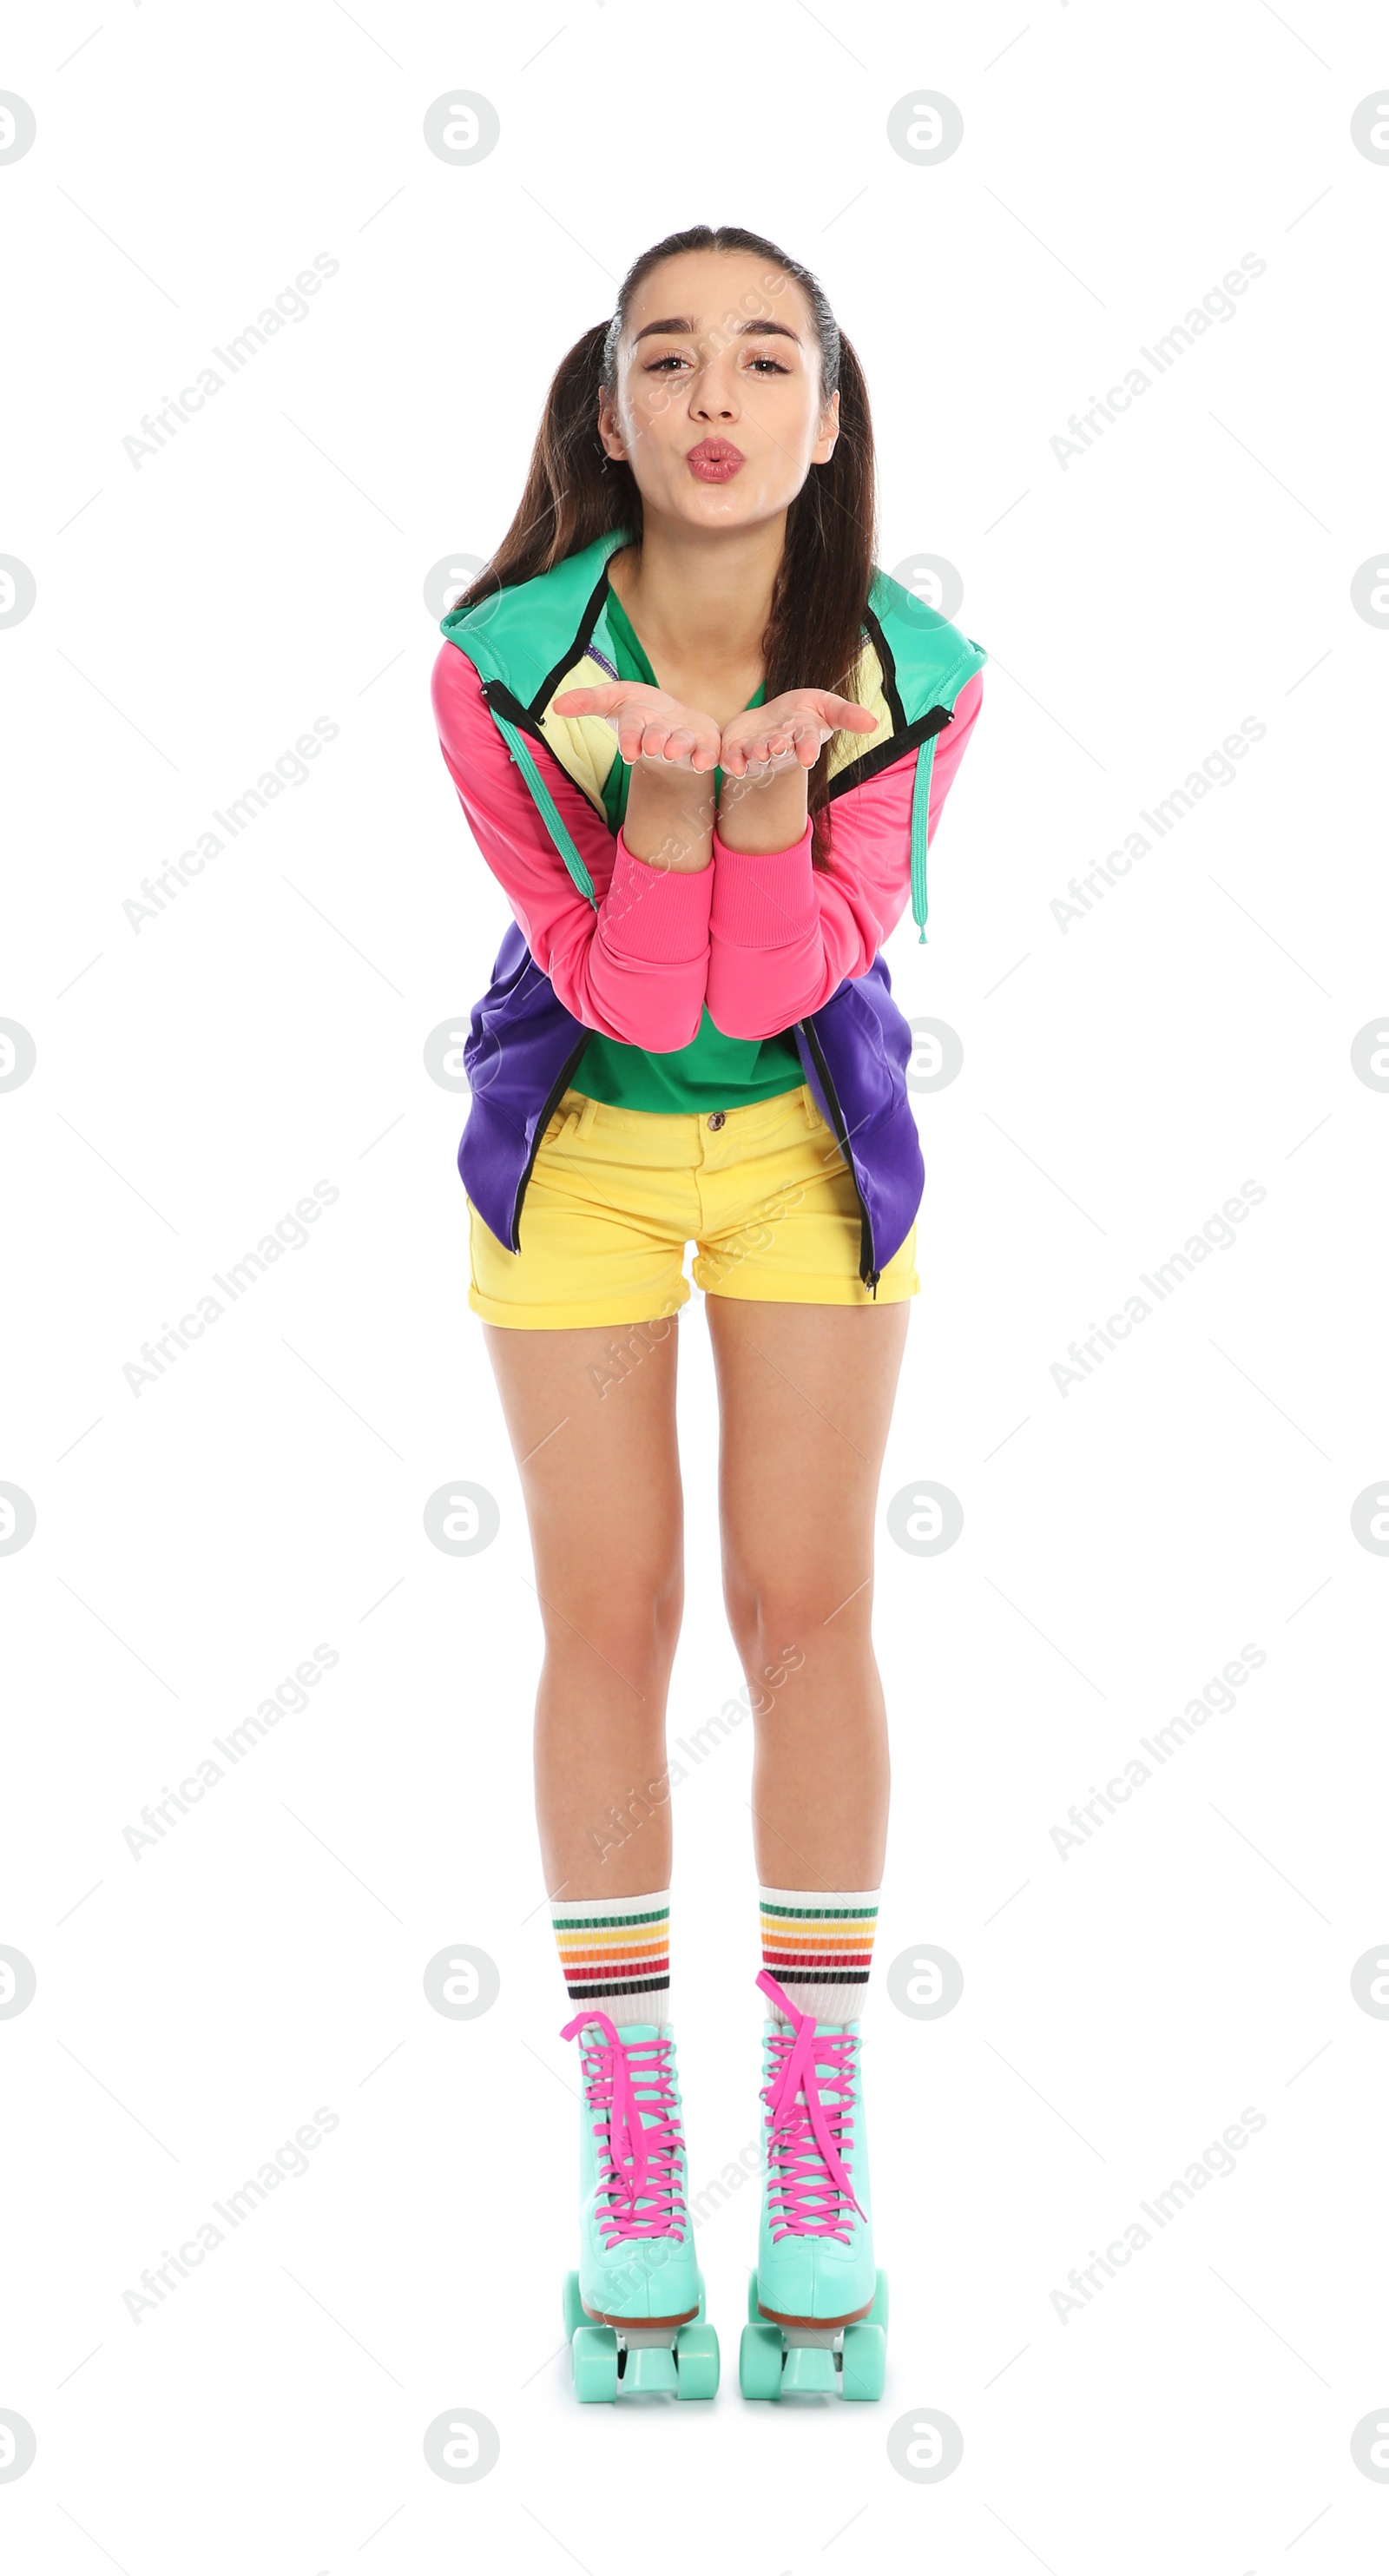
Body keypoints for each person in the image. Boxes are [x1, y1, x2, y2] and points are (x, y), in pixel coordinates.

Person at [430, 221, 985, 2401]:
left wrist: (743, 780)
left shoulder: (913, 664)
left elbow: (773, 991)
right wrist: (679, 783)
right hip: (567, 1145)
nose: (715, 391)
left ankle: (820, 2158)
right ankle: (629, 2165)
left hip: (803, 1157)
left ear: (826, 420)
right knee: (609, 1620)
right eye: (668, 356)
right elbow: (630, 989)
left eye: (767, 354)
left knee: (807, 1610)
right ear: (610, 410)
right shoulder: (494, 661)